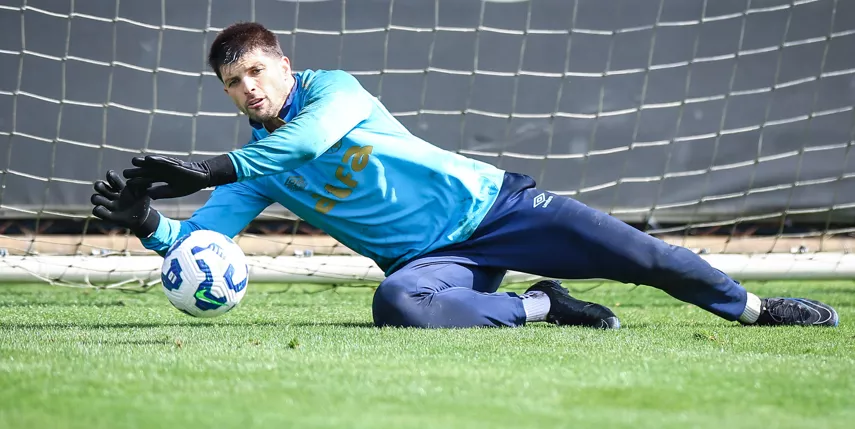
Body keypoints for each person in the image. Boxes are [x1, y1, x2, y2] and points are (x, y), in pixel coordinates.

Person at [91, 22, 838, 329]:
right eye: (233, 84)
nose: (249, 89)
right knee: (397, 306)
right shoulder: (257, 168)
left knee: (642, 256)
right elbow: (203, 244)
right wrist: (148, 225)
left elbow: (303, 142)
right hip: (435, 266)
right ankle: (544, 307)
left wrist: (208, 165)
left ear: (283, 64)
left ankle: (753, 307)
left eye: (256, 71)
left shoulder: (334, 91)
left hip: (499, 208)